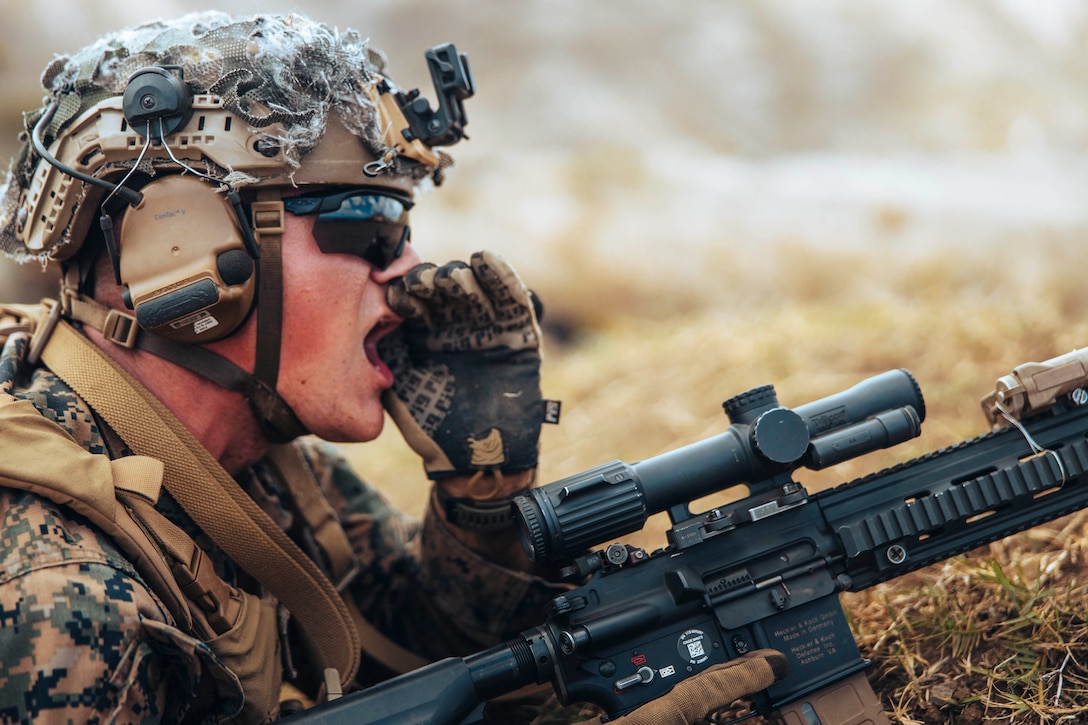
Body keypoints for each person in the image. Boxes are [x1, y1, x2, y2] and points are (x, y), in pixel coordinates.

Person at [0, 11, 785, 724]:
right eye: (370, 228)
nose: (410, 274)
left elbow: (419, 653)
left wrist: (482, 499)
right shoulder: (64, 603)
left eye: (407, 231)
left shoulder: (256, 466)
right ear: (183, 252)